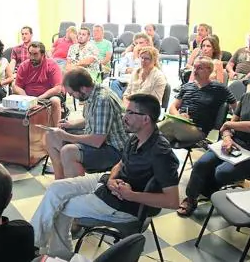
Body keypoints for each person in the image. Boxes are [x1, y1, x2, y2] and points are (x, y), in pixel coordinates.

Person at [31, 94, 179, 260]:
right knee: (55, 188)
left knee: (59, 204)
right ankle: (33, 245)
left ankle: (57, 253)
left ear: (145, 119)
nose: (124, 117)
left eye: (130, 113)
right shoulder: (135, 138)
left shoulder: (161, 153)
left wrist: (131, 195)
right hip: (110, 183)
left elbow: (172, 201)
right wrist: (111, 179)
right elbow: (120, 164)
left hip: (124, 205)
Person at [177, 64, 250, 216]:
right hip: (234, 143)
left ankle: (210, 193)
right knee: (201, 164)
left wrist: (228, 124)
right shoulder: (248, 96)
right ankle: (191, 198)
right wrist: (226, 138)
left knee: (221, 173)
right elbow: (231, 125)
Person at [45, 68, 128, 180]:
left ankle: (77, 188)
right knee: (51, 135)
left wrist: (67, 136)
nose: (71, 96)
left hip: (114, 149)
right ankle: (60, 181)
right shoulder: (92, 93)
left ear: (83, 88)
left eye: (72, 93)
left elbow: (97, 140)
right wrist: (71, 125)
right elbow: (92, 120)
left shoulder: (102, 100)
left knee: (68, 152)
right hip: (100, 139)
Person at [159, 57, 236, 144]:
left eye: (199, 68)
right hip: (179, 123)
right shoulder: (187, 86)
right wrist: (179, 116)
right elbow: (173, 107)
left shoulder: (219, 88)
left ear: (209, 70)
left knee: (165, 127)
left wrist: (230, 127)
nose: (195, 70)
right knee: (161, 138)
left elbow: (236, 108)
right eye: (194, 67)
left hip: (199, 130)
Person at [13, 42, 63, 127]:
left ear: (43, 54)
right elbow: (16, 87)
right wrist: (28, 99)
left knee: (55, 100)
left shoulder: (52, 65)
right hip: (28, 97)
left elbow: (58, 88)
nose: (32, 57)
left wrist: (38, 99)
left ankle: (57, 131)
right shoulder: (23, 66)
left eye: (35, 54)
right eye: (30, 54)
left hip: (47, 96)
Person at [110, 33, 153, 97]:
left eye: (141, 43)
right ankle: (122, 104)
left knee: (132, 88)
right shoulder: (129, 55)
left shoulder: (150, 57)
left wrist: (136, 57)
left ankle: (124, 104)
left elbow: (140, 72)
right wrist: (130, 70)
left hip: (140, 83)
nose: (138, 46)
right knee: (114, 84)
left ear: (147, 43)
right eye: (136, 43)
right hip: (126, 81)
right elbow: (120, 68)